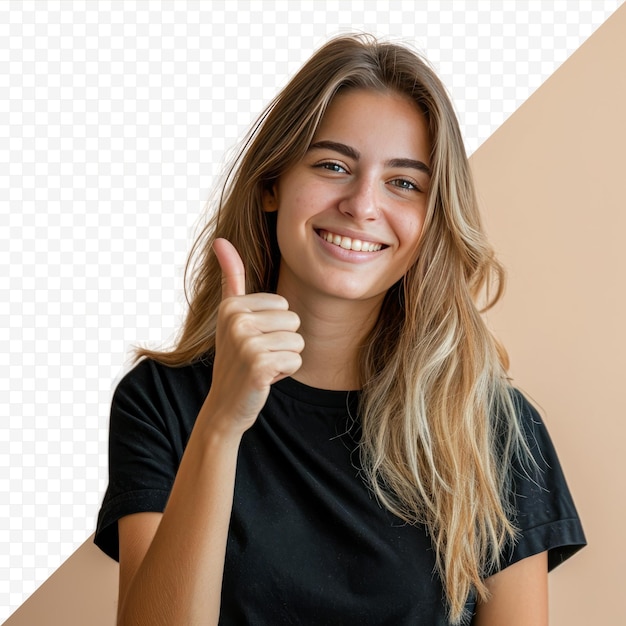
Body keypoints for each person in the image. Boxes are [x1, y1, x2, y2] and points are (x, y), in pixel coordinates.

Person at [94, 34, 586, 625]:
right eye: (333, 166)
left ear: (432, 219)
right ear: (272, 182)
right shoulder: (160, 403)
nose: (361, 204)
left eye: (403, 182)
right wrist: (221, 424)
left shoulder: (497, 430)